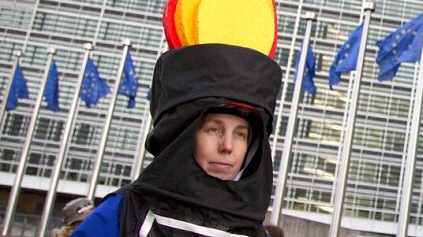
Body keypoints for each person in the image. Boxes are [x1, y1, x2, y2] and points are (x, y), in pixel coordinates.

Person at [73, 43, 282, 236]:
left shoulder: (255, 232)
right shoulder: (124, 213)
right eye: (213, 129)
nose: (227, 146)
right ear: (184, 134)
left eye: (240, 134)